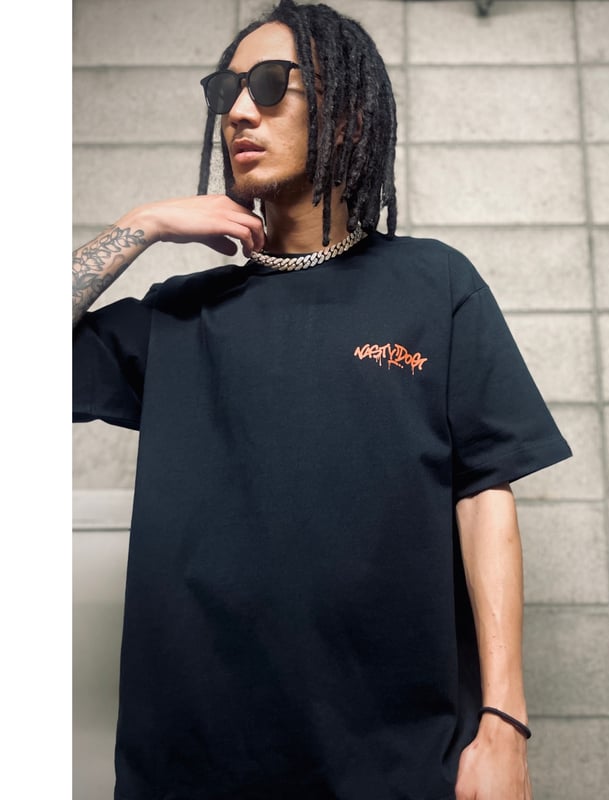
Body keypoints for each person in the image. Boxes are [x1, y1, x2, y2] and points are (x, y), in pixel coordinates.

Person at [72, 1, 572, 798]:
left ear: (347, 112)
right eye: (227, 89)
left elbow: (484, 495)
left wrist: (504, 723)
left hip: (398, 760)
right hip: (192, 765)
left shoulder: (434, 283)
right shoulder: (178, 315)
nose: (239, 110)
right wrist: (141, 225)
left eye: (271, 84)